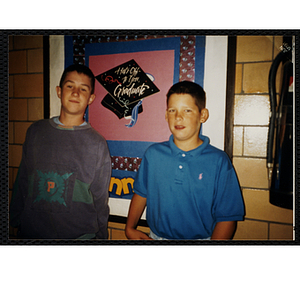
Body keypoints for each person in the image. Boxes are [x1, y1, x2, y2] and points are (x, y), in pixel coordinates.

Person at [125, 81, 244, 240]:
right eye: (172, 110)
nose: (178, 117)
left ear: (203, 115)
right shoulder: (153, 155)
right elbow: (141, 193)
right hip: (156, 237)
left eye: (187, 111)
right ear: (166, 115)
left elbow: (227, 217)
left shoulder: (219, 161)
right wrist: (129, 228)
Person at [10, 64, 112, 239]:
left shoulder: (97, 143)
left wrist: (101, 236)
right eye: (70, 86)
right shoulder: (35, 131)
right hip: (32, 232)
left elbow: (100, 198)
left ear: (91, 98)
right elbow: (23, 181)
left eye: (83, 89)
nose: (75, 93)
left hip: (79, 236)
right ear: (59, 91)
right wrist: (14, 220)